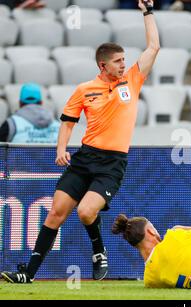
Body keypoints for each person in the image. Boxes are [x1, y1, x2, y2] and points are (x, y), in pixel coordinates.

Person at [1, 0, 160, 284]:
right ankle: (28, 275)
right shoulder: (84, 90)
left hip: (112, 163)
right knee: (54, 214)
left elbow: (153, 48)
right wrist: (61, 149)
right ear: (103, 65)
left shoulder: (132, 80)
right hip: (85, 158)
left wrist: (147, 13)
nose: (124, 64)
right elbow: (67, 123)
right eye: (118, 61)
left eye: (125, 60)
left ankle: (99, 251)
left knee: (87, 211)